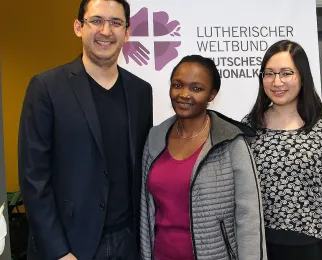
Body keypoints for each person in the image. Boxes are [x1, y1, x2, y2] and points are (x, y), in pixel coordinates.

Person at [18, 0, 153, 259]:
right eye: (96, 20)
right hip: (69, 245)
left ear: (127, 33)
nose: (106, 31)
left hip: (128, 243)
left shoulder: (141, 91)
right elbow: (33, 178)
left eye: (115, 23)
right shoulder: (46, 88)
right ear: (79, 27)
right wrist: (59, 252)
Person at [139, 55, 266, 260]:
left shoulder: (231, 142)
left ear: (211, 94)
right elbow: (145, 211)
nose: (184, 94)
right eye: (178, 85)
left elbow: (249, 218)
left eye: (196, 88)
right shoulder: (155, 137)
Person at [243, 40, 322, 260]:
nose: (277, 82)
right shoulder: (249, 126)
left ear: (302, 76)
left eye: (286, 73)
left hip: (312, 245)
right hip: (262, 244)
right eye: (269, 73)